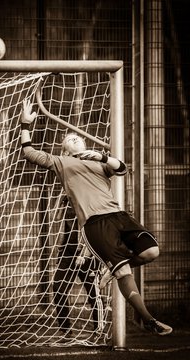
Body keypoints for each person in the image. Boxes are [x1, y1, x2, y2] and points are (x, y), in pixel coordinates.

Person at [20, 99, 173, 336]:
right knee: (122, 273)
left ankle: (112, 270)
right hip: (94, 224)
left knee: (151, 251)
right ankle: (149, 319)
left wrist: (101, 156)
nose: (75, 138)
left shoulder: (99, 161)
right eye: (69, 139)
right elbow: (28, 152)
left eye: (78, 137)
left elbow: (122, 168)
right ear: (64, 150)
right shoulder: (62, 163)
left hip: (118, 215)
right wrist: (25, 124)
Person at [52, 195, 104, 337]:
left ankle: (98, 330)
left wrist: (85, 252)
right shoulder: (68, 198)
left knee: (94, 292)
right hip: (68, 252)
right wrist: (61, 197)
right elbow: (55, 217)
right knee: (58, 288)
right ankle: (65, 330)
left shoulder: (89, 196)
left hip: (88, 251)